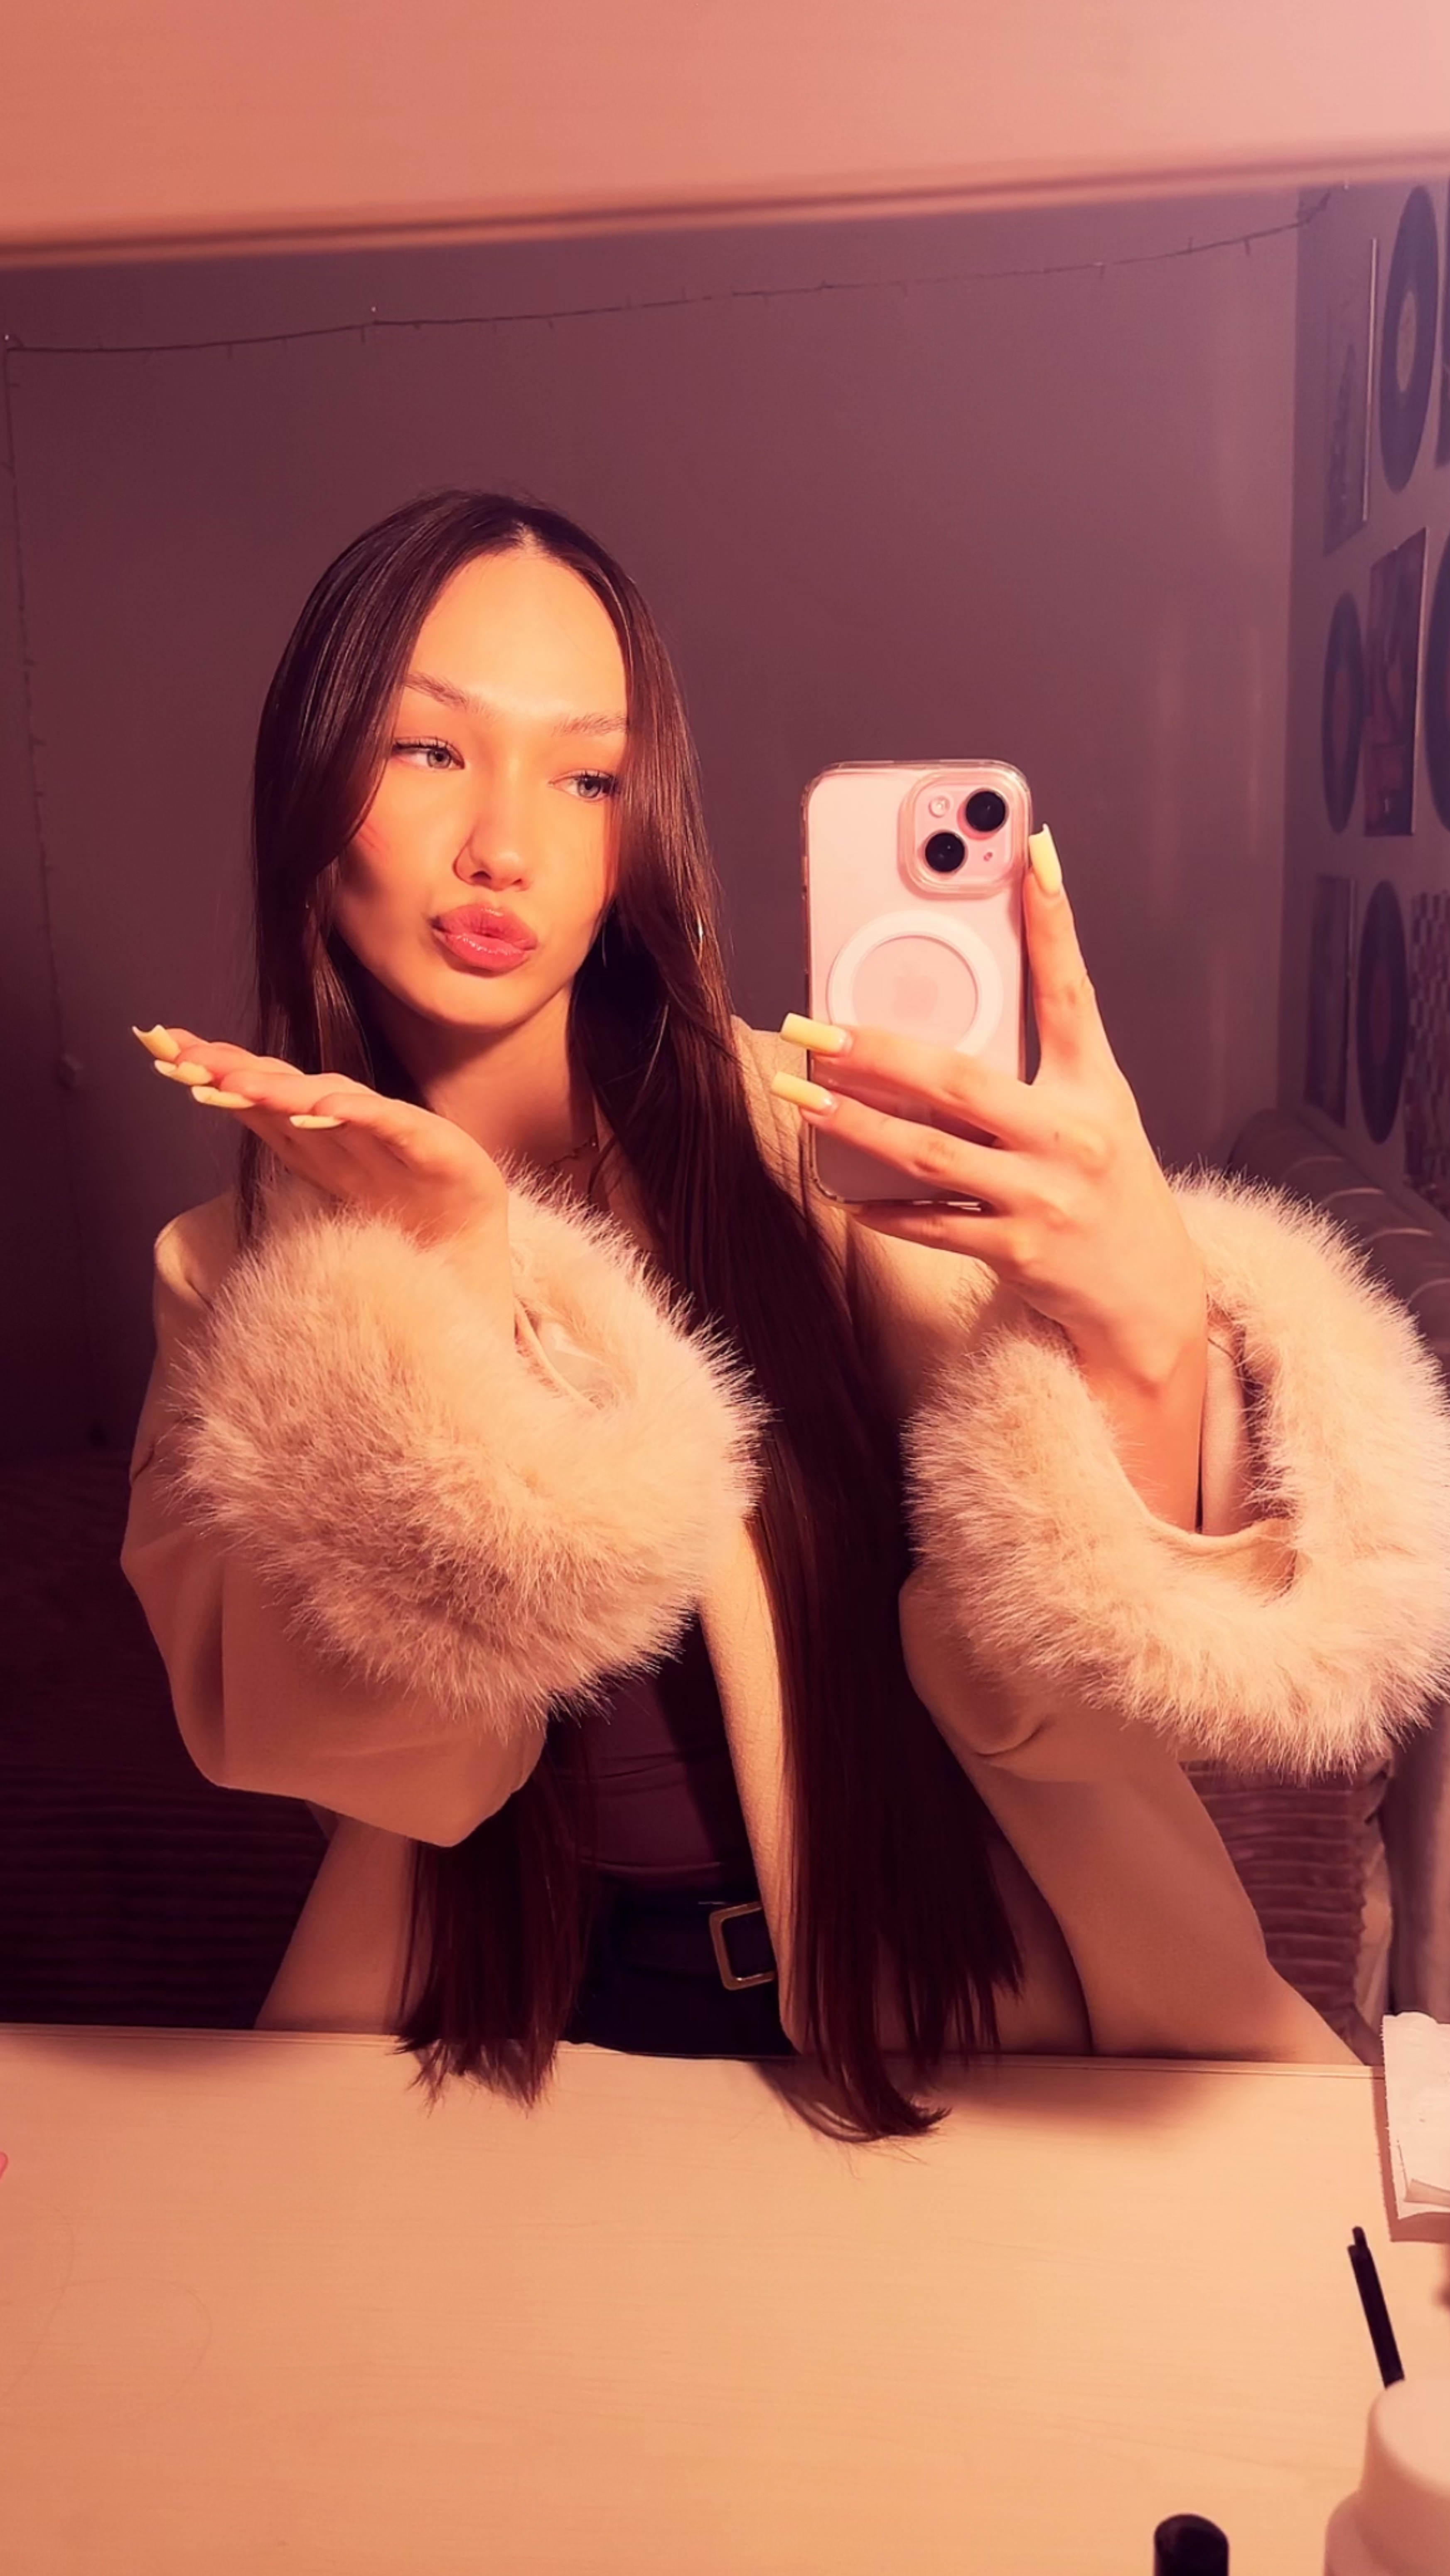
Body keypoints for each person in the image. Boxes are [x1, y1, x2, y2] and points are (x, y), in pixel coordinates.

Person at [122, 491, 1450, 2143]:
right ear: (312, 788)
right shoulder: (235, 1279)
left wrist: (1147, 1332)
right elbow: (393, 1768)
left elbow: (1075, 1704)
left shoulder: (823, 1145)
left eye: (587, 775)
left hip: (971, 2035)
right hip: (507, 2050)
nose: (505, 846)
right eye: (430, 750)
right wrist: (439, 1286)